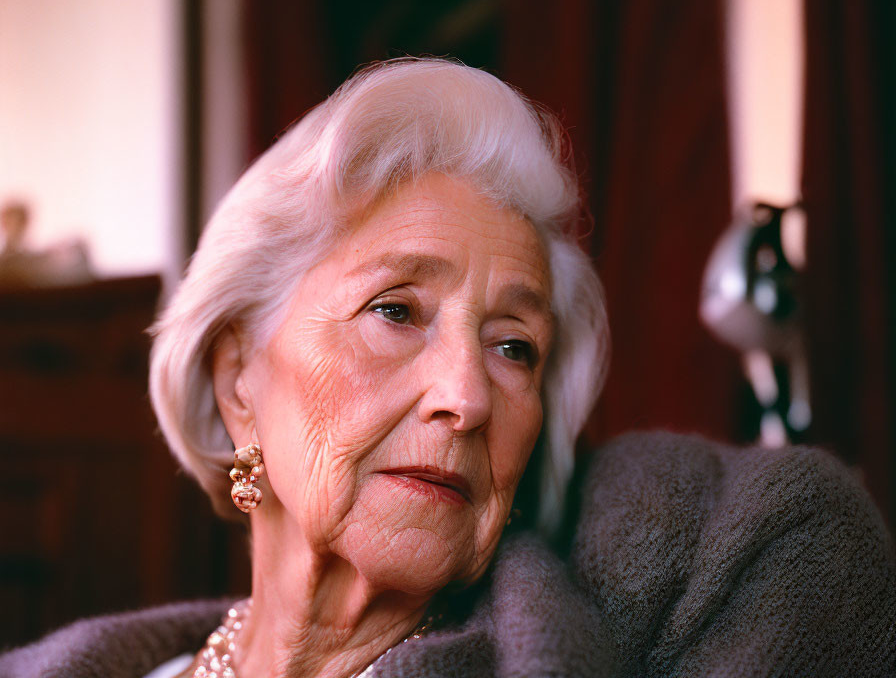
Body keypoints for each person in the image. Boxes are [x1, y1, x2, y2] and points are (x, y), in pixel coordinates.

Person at [1, 58, 893, 678]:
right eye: (395, 311)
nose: (467, 398)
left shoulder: (689, 568)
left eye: (515, 348)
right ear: (240, 377)